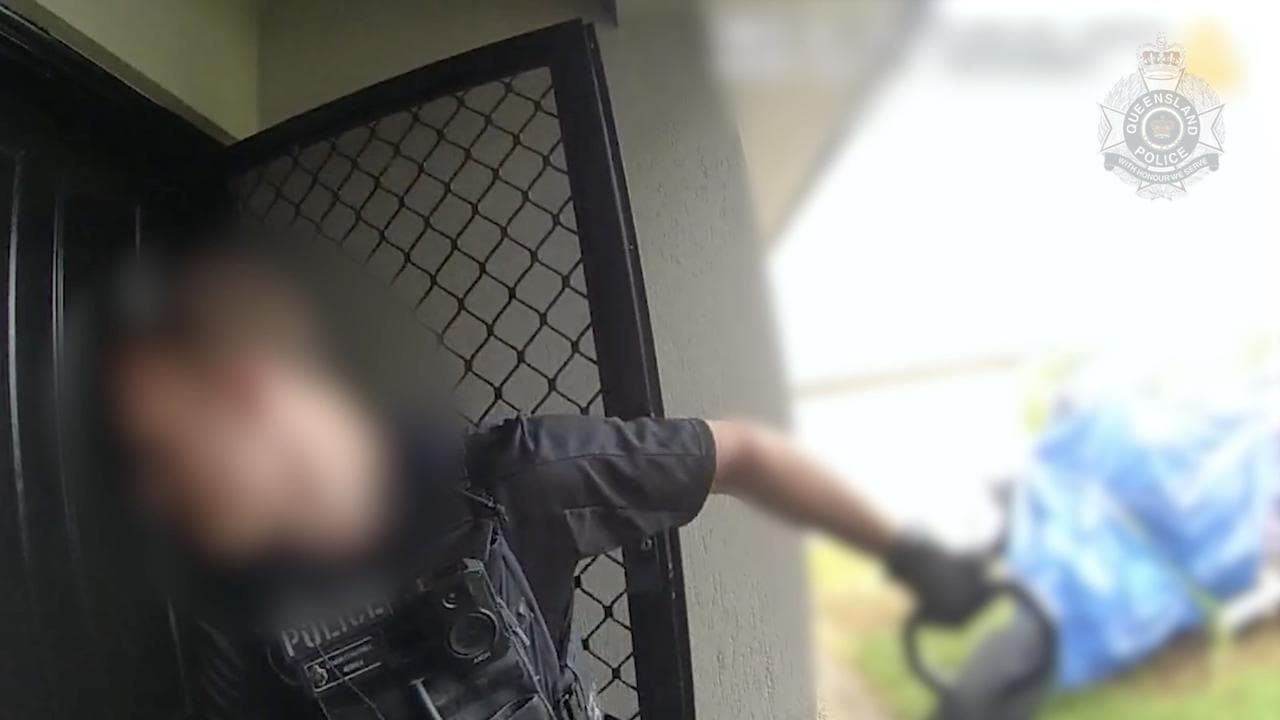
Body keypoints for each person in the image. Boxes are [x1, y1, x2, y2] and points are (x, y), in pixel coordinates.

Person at [103, 243, 993, 720]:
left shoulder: (510, 480)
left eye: (162, 455)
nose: (152, 496)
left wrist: (913, 558)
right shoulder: (239, 611)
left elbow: (750, 455)